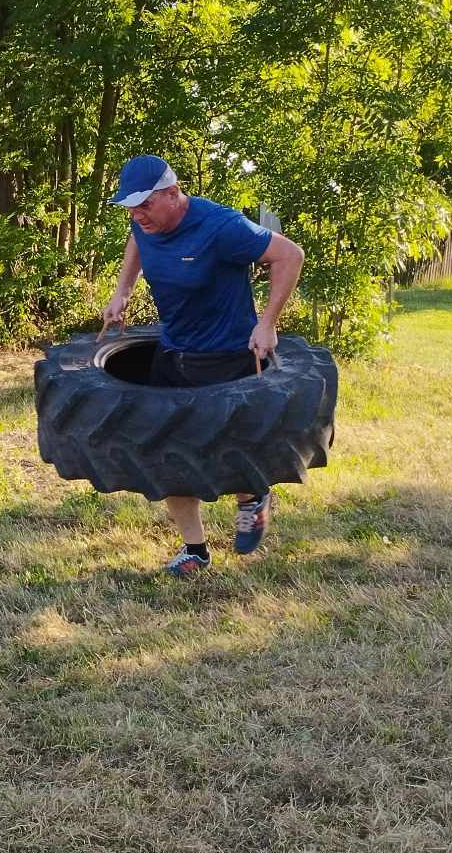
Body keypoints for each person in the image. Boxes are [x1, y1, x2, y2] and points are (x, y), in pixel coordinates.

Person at [100, 155, 304, 576]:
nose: (137, 216)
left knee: (227, 453)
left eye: (145, 205)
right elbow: (137, 241)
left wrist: (268, 322)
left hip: (227, 358)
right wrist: (122, 291)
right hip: (173, 351)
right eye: (131, 208)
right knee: (168, 453)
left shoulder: (221, 226)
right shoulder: (144, 223)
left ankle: (253, 497)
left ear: (173, 194)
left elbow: (290, 255)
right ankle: (195, 550)